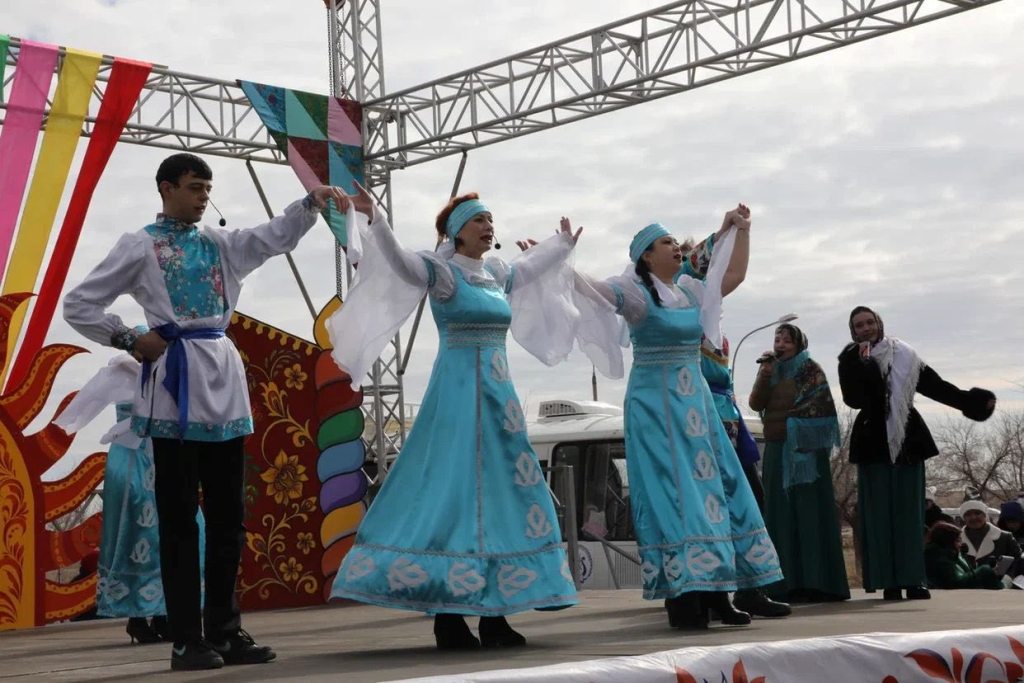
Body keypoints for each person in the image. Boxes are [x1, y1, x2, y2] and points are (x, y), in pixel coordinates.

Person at [64, 152, 346, 670]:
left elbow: (272, 237)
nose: (203, 198)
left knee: (227, 518)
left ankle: (225, 630)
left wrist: (311, 203)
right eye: (194, 187)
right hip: (175, 384)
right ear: (166, 188)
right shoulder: (140, 244)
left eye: (207, 189)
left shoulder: (220, 243)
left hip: (223, 380)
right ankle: (184, 640)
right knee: (178, 520)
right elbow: (80, 303)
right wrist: (130, 338)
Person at [327, 187, 580, 650]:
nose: (488, 225)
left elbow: (529, 268)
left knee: (503, 496)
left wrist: (561, 245)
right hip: (458, 400)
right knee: (455, 496)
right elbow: (400, 263)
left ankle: (495, 614)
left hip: (500, 404)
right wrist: (377, 218)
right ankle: (449, 615)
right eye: (479, 219)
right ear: (457, 231)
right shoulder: (442, 273)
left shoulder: (496, 274)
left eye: (490, 219)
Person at [572, 206, 783, 629]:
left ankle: (719, 591)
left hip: (696, 406)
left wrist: (741, 230)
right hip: (656, 407)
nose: (675, 247)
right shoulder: (635, 294)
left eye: (674, 242)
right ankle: (684, 596)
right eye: (666, 242)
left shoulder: (689, 291)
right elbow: (593, 291)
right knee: (674, 496)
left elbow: (733, 275)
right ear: (647, 256)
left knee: (715, 492)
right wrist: (559, 259)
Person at [837, 306, 997, 601]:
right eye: (859, 325)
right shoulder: (850, 358)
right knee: (880, 516)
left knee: (909, 515)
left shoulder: (905, 355)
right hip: (872, 443)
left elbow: (935, 387)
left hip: (909, 441)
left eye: (870, 322)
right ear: (853, 331)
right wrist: (865, 366)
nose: (866, 328)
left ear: (879, 323)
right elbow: (854, 400)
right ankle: (888, 582)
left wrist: (970, 402)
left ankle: (913, 579)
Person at [55, 352, 205, 645]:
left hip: (163, 454)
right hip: (131, 459)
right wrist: (69, 423)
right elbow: (87, 403)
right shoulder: (120, 373)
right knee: (136, 534)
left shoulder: (169, 372)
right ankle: (138, 618)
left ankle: (163, 614)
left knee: (173, 532)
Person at [680, 231, 789, 618]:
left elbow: (735, 272)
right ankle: (716, 592)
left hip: (728, 419)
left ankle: (750, 586)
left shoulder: (712, 318)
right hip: (699, 419)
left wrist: (742, 231)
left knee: (749, 502)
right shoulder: (680, 311)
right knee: (714, 507)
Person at [748, 324, 850, 603]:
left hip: (806, 454)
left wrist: (795, 424)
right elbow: (756, 404)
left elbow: (820, 408)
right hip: (777, 450)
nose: (780, 344)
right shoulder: (769, 369)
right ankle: (782, 585)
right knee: (780, 516)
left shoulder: (810, 370)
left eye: (787, 340)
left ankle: (817, 583)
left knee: (809, 515)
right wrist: (764, 375)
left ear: (799, 344)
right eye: (777, 339)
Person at [924, 521, 1003, 590]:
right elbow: (954, 582)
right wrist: (984, 571)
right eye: (958, 540)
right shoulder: (939, 557)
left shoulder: (953, 555)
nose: (960, 544)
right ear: (947, 541)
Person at [959, 500, 1022, 579]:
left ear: (985, 515)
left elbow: (1018, 562)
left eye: (977, 513)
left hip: (1000, 585)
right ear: (964, 518)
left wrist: (1007, 579)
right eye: (968, 515)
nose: (973, 517)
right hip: (966, 585)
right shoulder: (956, 539)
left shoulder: (1005, 537)